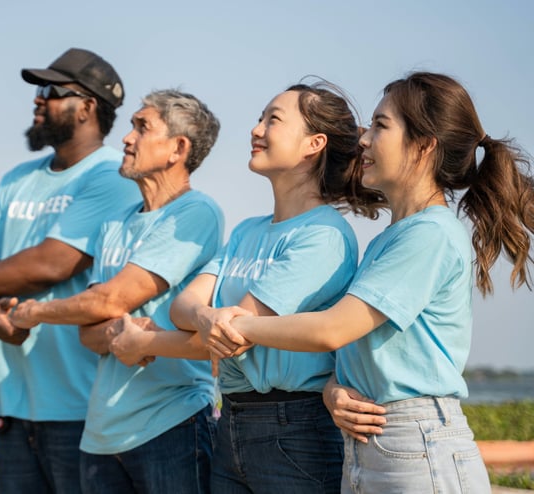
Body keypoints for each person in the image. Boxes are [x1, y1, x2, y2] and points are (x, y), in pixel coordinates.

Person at [210, 72, 534, 493]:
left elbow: (332, 328)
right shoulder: (389, 238)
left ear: (424, 145)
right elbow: (357, 350)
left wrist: (234, 325)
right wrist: (333, 391)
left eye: (381, 126)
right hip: (372, 445)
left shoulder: (431, 234)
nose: (363, 139)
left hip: (416, 448)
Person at [0, 48, 139, 493]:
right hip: (13, 406)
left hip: (81, 407)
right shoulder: (16, 178)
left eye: (50, 90)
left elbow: (52, 264)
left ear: (88, 107)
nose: (38, 100)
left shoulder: (111, 176)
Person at [162, 80, 384, 493]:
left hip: (296, 432)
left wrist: (199, 319)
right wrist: (204, 315)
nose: (256, 129)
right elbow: (182, 306)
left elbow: (237, 332)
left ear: (313, 144)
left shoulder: (324, 235)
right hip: (230, 422)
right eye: (260, 118)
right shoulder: (247, 230)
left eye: (272, 120)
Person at [8, 89, 223, 494]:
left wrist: (34, 313)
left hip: (172, 425)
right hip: (101, 435)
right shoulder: (114, 225)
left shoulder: (196, 213)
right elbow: (88, 332)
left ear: (178, 148)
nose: (127, 138)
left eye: (142, 128)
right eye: (131, 127)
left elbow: (109, 301)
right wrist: (119, 336)